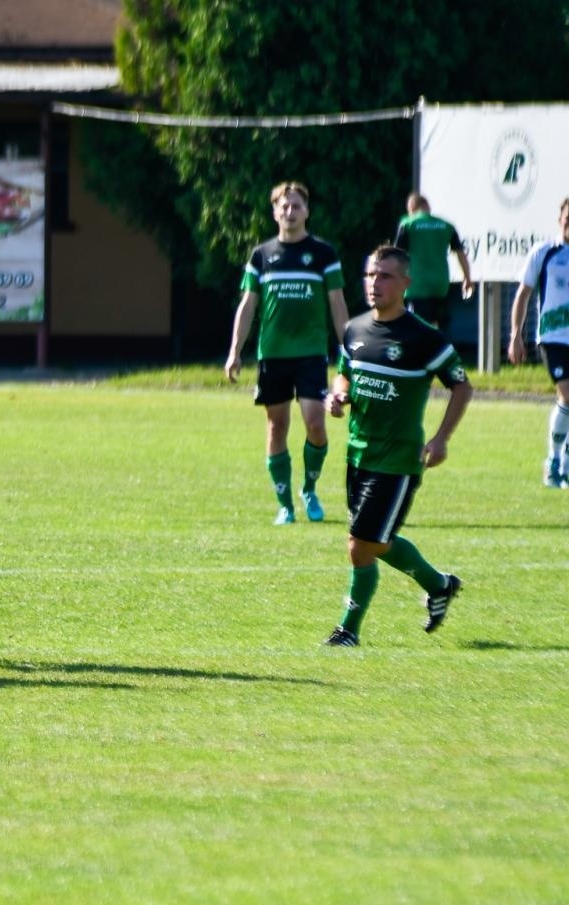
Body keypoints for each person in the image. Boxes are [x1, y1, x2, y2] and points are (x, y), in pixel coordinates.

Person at [322, 245, 472, 647]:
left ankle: (348, 631)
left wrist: (441, 439)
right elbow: (344, 375)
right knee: (376, 541)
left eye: (385, 276)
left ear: (406, 283)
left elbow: (461, 385)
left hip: (398, 461)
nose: (375, 283)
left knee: (359, 545)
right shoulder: (354, 330)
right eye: (371, 275)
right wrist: (337, 396)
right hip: (357, 453)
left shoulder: (423, 338)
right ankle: (439, 584)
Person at [225, 181, 349, 525]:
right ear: (274, 212)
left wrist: (348, 350)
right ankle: (285, 505)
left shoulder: (323, 254)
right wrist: (235, 351)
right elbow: (247, 305)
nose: (290, 212)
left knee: (315, 424)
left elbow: (337, 304)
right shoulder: (261, 255)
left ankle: (309, 488)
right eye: (284, 206)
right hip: (273, 355)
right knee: (276, 425)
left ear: (306, 210)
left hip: (310, 354)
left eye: (296, 206)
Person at [507, 197, 569, 487]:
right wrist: (515, 335)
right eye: (567, 217)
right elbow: (523, 294)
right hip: (553, 338)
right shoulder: (544, 252)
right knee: (568, 395)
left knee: (566, 401)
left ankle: (564, 461)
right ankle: (554, 460)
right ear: (560, 219)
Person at [393, 193, 474, 331]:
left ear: (411, 208)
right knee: (440, 331)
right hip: (440, 285)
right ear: (427, 207)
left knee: (417, 330)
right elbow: (460, 253)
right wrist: (467, 278)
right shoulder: (446, 225)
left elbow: (396, 256)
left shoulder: (408, 224)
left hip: (416, 286)